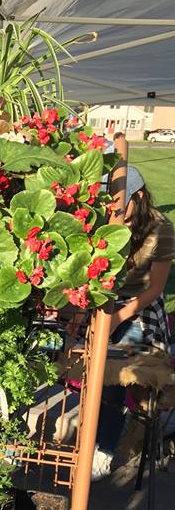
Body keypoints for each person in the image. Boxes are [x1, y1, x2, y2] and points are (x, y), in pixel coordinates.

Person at [91, 167, 175, 480]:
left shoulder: (160, 229)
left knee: (114, 371)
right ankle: (94, 434)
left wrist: (116, 319)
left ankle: (104, 448)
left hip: (141, 307)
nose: (113, 214)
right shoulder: (103, 220)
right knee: (65, 351)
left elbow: (155, 289)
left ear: (137, 198)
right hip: (105, 302)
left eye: (120, 206)